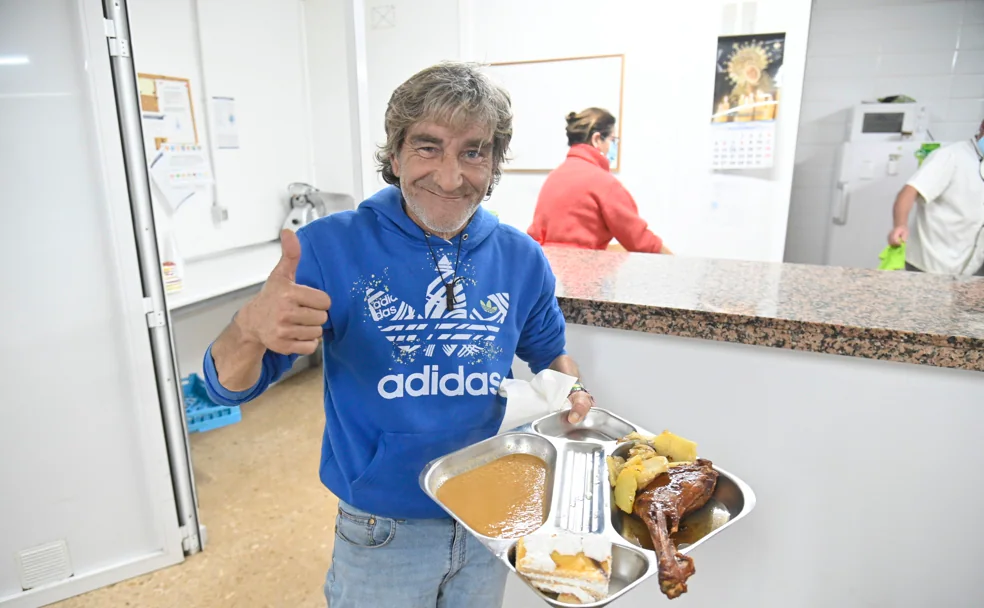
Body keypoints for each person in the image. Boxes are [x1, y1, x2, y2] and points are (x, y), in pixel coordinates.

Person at [202, 62, 595, 608]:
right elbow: (227, 388)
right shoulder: (328, 249)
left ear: (495, 163)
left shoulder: (521, 257)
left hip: (489, 516)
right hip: (382, 530)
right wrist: (248, 328)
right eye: (428, 148)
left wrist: (569, 393)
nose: (451, 177)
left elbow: (550, 355)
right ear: (395, 155)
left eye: (473, 152)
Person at [527, 107, 671, 254]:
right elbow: (639, 239)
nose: (614, 147)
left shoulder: (554, 177)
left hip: (547, 270)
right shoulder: (602, 183)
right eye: (613, 140)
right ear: (596, 139)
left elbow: (538, 236)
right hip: (583, 272)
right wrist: (675, 262)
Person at [887, 119, 984, 275]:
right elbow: (909, 191)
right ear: (982, 127)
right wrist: (900, 225)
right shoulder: (951, 156)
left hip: (970, 266)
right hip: (930, 263)